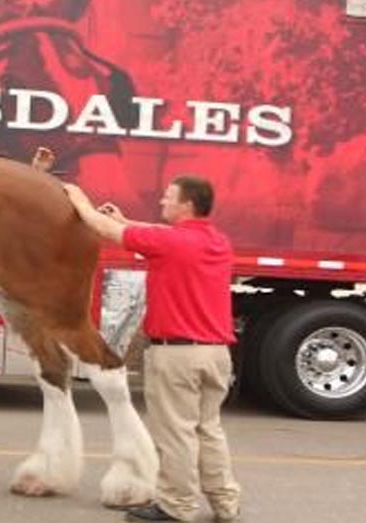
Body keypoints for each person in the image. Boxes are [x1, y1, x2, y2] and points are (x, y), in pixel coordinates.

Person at [63, 176, 241, 522]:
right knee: (209, 429)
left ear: (186, 204)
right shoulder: (217, 241)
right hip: (216, 353)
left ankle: (177, 507)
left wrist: (78, 199)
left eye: (168, 197)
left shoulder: (169, 241)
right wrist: (126, 221)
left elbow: (104, 230)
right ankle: (225, 502)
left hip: (177, 356)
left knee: (175, 434)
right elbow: (152, 234)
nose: (162, 201)